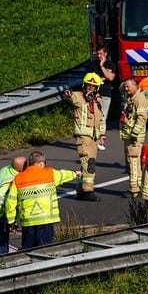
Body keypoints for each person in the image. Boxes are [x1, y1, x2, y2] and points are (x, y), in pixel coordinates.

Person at [4, 151, 77, 250]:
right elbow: (63, 174)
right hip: (46, 221)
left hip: (28, 222)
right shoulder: (50, 173)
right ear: (41, 163)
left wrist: (11, 220)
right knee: (45, 251)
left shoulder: (18, 178)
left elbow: (10, 201)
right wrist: (76, 174)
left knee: (27, 252)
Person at [63, 72, 106, 202]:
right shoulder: (78, 96)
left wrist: (102, 134)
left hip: (94, 137)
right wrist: (68, 94)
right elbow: (71, 98)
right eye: (88, 85)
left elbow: (100, 119)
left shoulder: (97, 101)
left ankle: (81, 190)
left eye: (93, 86)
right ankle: (88, 191)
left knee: (86, 164)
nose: (90, 88)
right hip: (83, 136)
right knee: (89, 163)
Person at [0, 155, 27, 255]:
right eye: (26, 165)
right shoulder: (11, 180)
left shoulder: (6, 169)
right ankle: (1, 263)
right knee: (0, 242)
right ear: (20, 169)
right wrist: (2, 217)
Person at [119, 78, 148, 198]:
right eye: (125, 87)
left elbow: (142, 117)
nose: (126, 89)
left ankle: (134, 189)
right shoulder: (131, 97)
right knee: (131, 160)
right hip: (128, 134)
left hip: (134, 136)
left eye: (128, 86)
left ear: (135, 86)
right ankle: (138, 187)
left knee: (133, 161)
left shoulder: (139, 98)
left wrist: (134, 133)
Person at [87, 45, 116, 151]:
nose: (99, 56)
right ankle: (92, 139)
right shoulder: (91, 65)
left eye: (101, 54)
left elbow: (110, 77)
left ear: (105, 54)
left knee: (102, 117)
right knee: (92, 116)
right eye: (97, 54)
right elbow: (89, 79)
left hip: (105, 94)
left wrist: (102, 66)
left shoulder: (110, 64)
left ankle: (101, 140)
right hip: (93, 94)